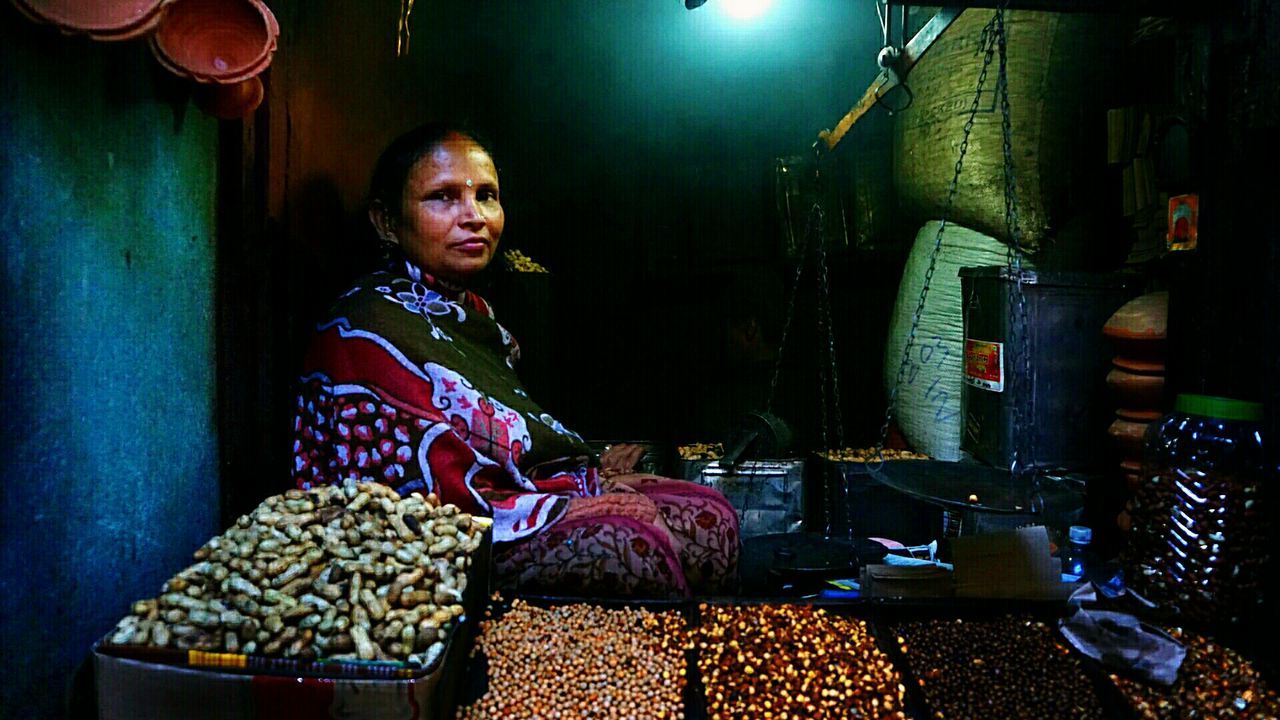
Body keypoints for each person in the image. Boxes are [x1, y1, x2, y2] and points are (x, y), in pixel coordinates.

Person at [290, 122, 739, 597]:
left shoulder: (475, 315)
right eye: (443, 197)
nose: (474, 216)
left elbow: (514, 440)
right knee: (634, 539)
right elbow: (424, 489)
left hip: (513, 491)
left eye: (486, 195)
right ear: (385, 220)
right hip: (435, 531)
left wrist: (585, 474)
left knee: (710, 517)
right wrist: (572, 492)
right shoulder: (364, 327)